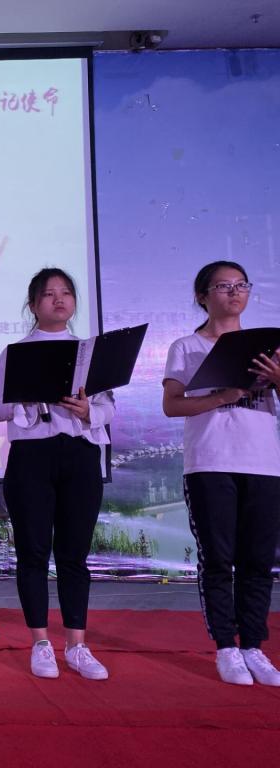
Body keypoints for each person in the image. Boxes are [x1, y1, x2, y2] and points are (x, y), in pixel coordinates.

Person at [0, 267, 113, 681]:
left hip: (80, 455)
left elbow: (109, 407)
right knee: (34, 552)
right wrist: (25, 396)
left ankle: (77, 645)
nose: (59, 300)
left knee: (74, 554)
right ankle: (41, 643)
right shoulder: (16, 352)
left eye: (66, 292)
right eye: (49, 294)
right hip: (32, 456)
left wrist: (89, 410)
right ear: (33, 304)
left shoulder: (89, 352)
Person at [162, 260, 280, 686]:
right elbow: (172, 405)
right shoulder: (186, 346)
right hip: (210, 461)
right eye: (223, 286)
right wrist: (223, 396)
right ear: (202, 296)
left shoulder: (270, 348)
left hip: (263, 462)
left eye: (241, 285)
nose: (234, 292)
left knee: (258, 560)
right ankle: (226, 648)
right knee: (218, 559)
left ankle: (253, 646)